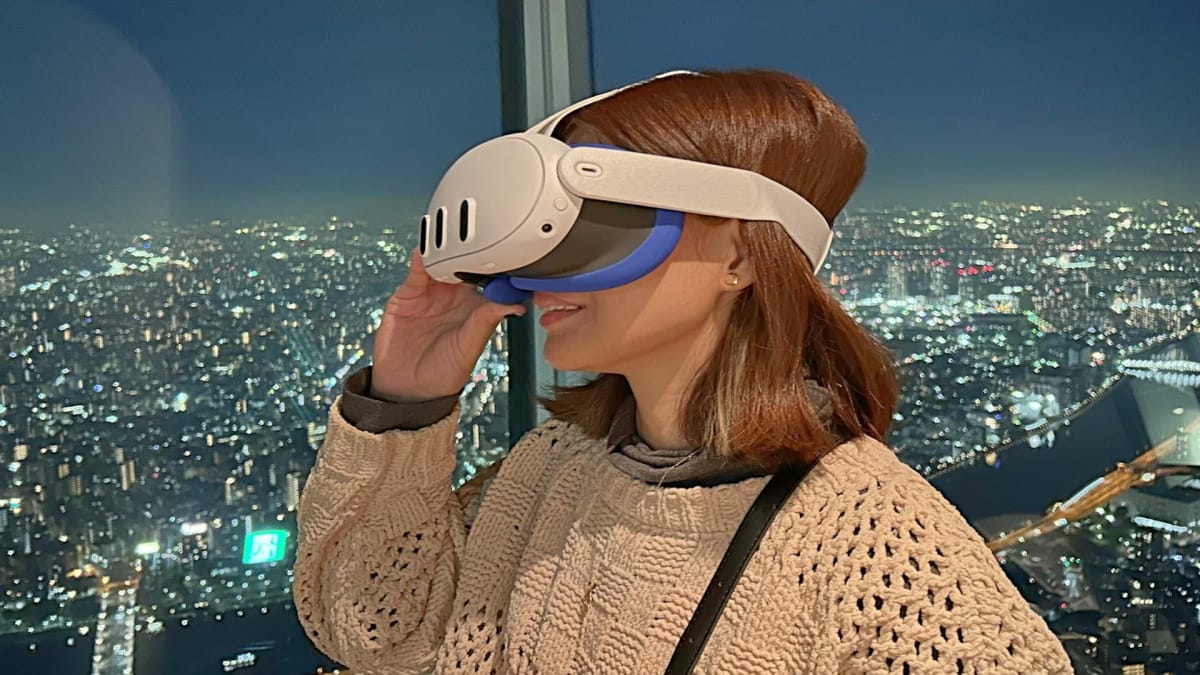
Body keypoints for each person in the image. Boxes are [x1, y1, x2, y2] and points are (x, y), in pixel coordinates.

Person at [293, 69, 1073, 674]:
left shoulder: (876, 547)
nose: (543, 273)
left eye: (591, 228)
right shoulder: (548, 468)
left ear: (739, 252)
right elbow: (372, 631)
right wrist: (404, 396)